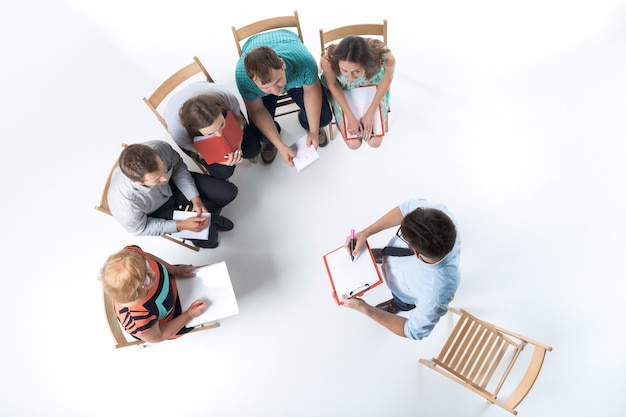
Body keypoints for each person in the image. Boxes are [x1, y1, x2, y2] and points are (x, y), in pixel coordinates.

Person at [341, 198, 460, 340]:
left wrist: (365, 309)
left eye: (403, 236)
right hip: (394, 254)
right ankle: (385, 256)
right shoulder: (435, 215)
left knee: (401, 302)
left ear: (415, 252)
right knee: (387, 254)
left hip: (403, 295)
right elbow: (405, 208)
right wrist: (365, 232)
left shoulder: (435, 294)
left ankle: (395, 304)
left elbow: (413, 331)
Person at [108, 141, 237, 249]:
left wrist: (195, 199)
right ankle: (208, 226)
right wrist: (181, 225)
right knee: (210, 236)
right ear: (137, 182)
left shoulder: (160, 148)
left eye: (163, 169)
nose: (164, 178)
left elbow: (178, 167)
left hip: (174, 185)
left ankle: (210, 217)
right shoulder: (124, 206)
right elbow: (141, 228)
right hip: (158, 211)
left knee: (228, 193)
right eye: (156, 179)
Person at [235, 29, 333, 165]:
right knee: (262, 135)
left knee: (323, 118)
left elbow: (312, 92)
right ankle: (272, 135)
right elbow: (257, 111)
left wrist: (313, 131)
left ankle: (305, 120)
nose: (276, 92)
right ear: (252, 81)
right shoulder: (243, 78)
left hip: (290, 55)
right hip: (256, 50)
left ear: (282, 64)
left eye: (277, 82)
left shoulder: (304, 62)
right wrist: (280, 145)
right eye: (267, 87)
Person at [99, 245, 208, 343]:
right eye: (146, 279)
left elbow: (146, 255)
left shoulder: (129, 258)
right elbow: (159, 335)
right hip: (176, 317)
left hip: (173, 278)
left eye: (146, 264)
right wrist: (189, 315)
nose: (153, 272)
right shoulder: (139, 321)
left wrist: (173, 269)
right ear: (136, 292)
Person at [163, 81, 263, 178]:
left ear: (221, 110)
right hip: (183, 127)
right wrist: (219, 160)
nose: (220, 135)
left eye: (221, 125)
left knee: (253, 149)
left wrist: (238, 144)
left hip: (212, 96)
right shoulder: (179, 133)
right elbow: (196, 150)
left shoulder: (227, 98)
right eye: (210, 133)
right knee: (224, 171)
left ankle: (219, 128)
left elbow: (238, 119)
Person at [320, 36, 395, 149]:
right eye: (344, 70)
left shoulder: (386, 58)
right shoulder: (328, 60)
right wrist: (351, 117)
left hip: (372, 86)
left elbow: (387, 79)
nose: (350, 78)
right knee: (354, 144)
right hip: (342, 89)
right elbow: (333, 84)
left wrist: (370, 113)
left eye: (356, 71)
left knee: (375, 142)